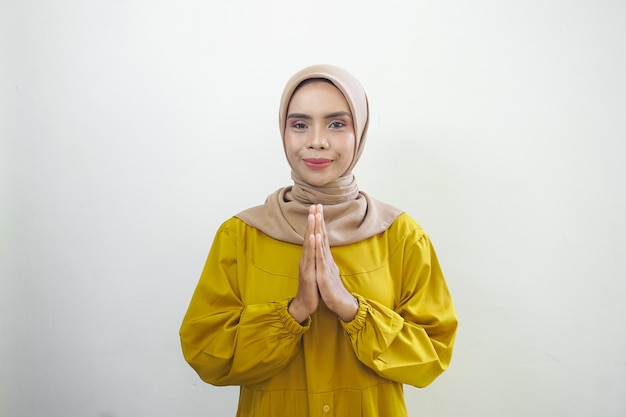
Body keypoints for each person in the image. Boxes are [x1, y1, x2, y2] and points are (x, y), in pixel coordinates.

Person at [179, 64, 458, 417]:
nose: (316, 140)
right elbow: (205, 351)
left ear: (361, 132)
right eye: (299, 124)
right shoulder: (241, 235)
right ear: (283, 132)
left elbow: (432, 355)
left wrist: (350, 309)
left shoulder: (400, 236)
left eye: (337, 124)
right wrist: (294, 312)